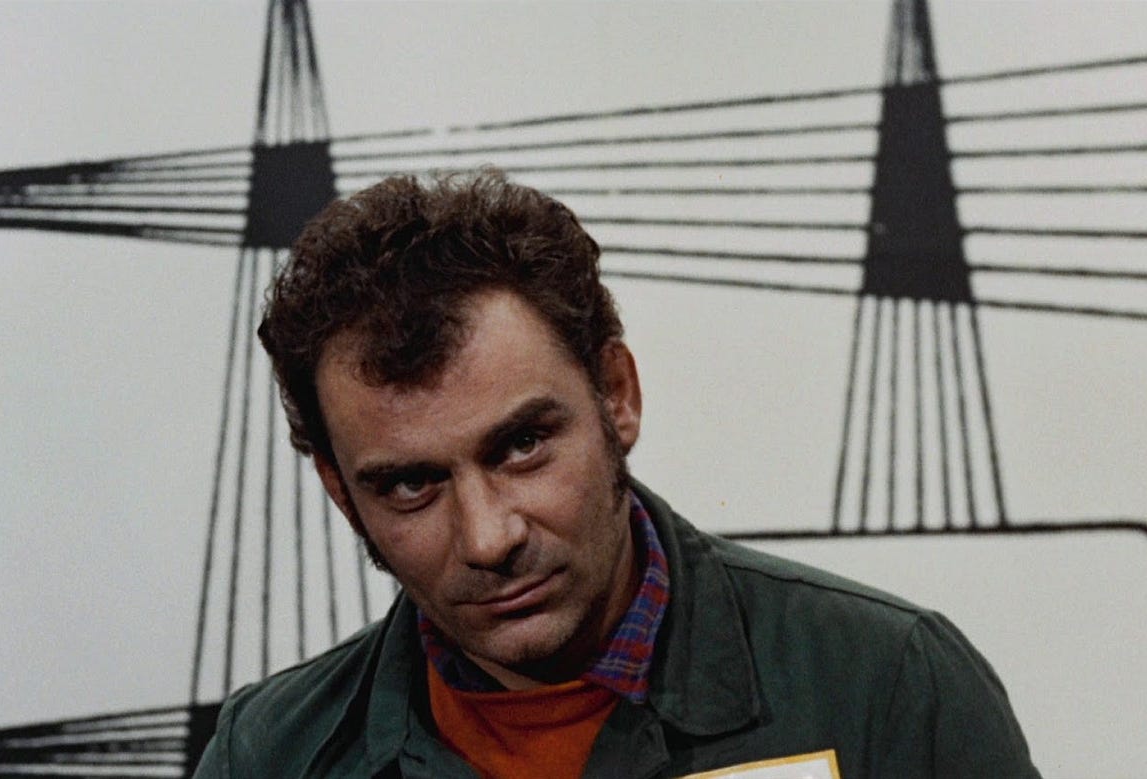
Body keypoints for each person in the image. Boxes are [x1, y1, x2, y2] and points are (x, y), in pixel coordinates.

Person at [194, 170, 1039, 778]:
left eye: (522, 445)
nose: (488, 537)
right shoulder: (268, 757)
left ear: (617, 396)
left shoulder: (887, 686)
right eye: (411, 485)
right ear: (341, 491)